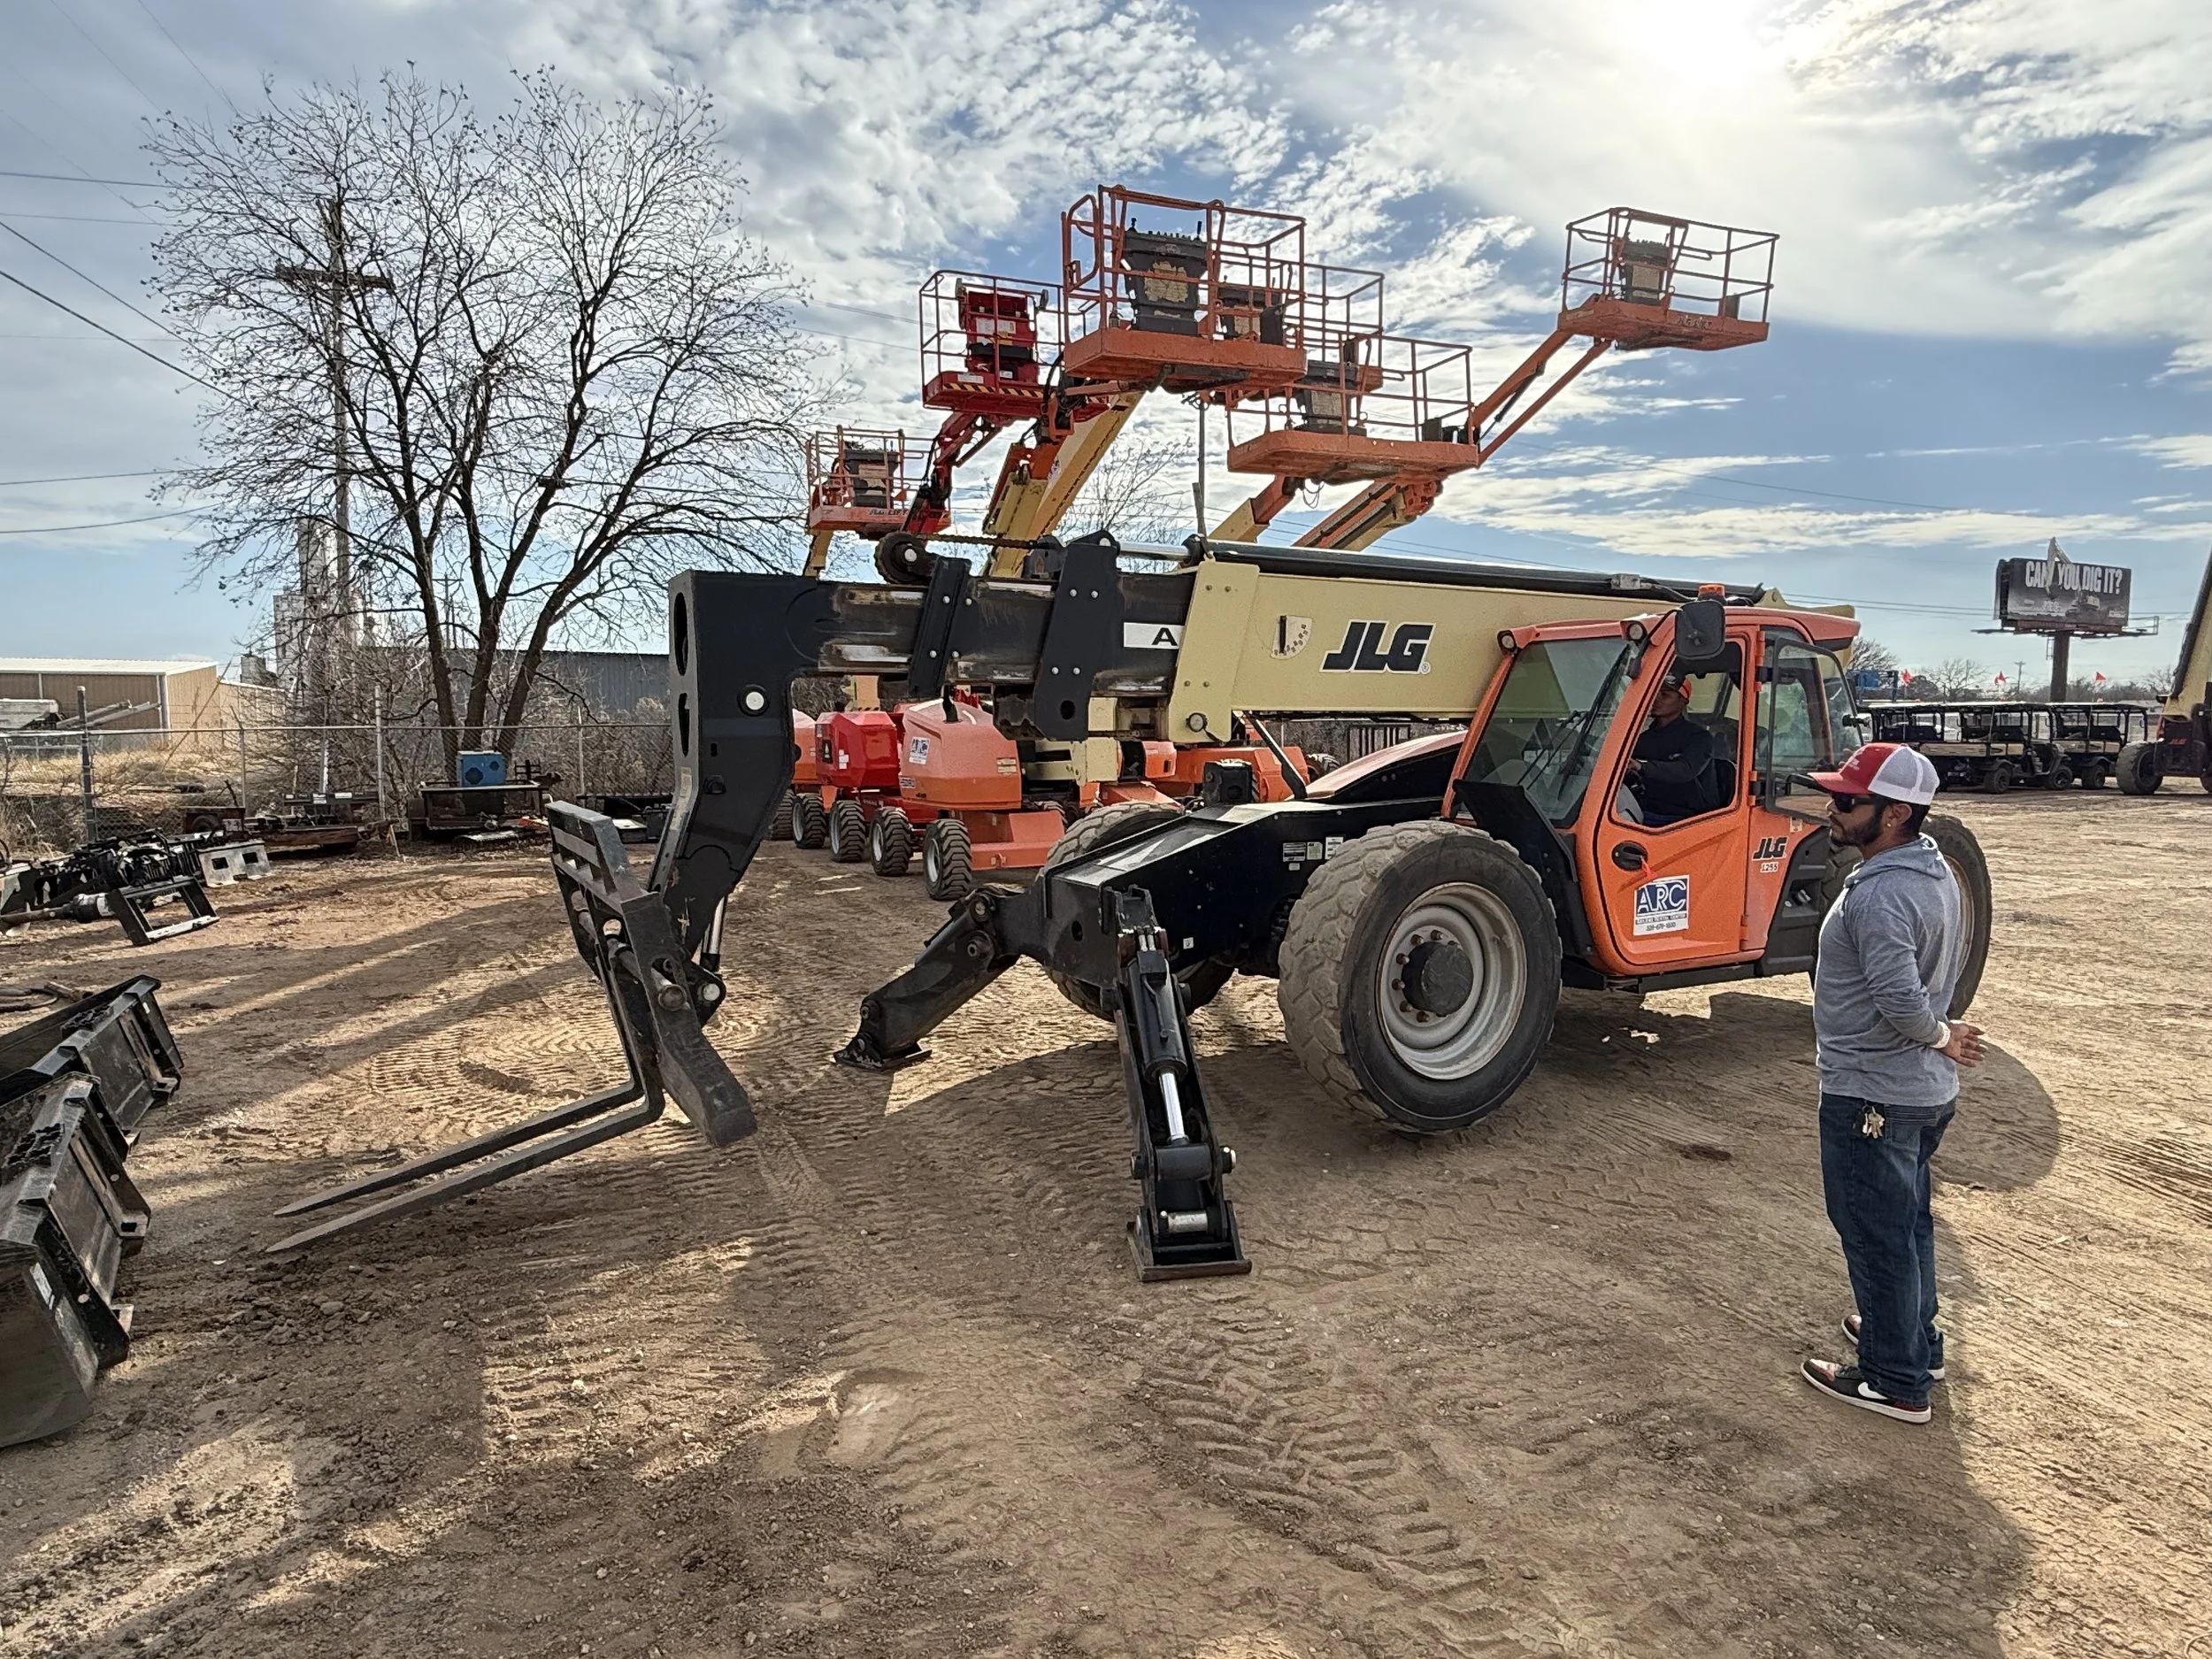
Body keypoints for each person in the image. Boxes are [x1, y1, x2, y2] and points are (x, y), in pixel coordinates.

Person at [1799, 742, 1985, 1424]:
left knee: (1874, 1232)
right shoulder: (1933, 868)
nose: (1832, 808)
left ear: (1894, 813)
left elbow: (1901, 1001)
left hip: (1874, 1093)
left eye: (1848, 802)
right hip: (1920, 1091)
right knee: (1907, 1224)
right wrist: (1941, 1037)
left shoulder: (1879, 894)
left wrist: (1939, 1033)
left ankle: (1894, 1378)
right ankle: (1914, 1340)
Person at [1625, 673, 1717, 826]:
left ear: (1683, 701)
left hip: (1684, 819)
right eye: (1654, 694)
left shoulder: (1699, 737)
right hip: (1645, 810)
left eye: (1665, 695)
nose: (1656, 699)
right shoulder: (1643, 739)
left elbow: (1686, 770)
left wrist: (1640, 766)